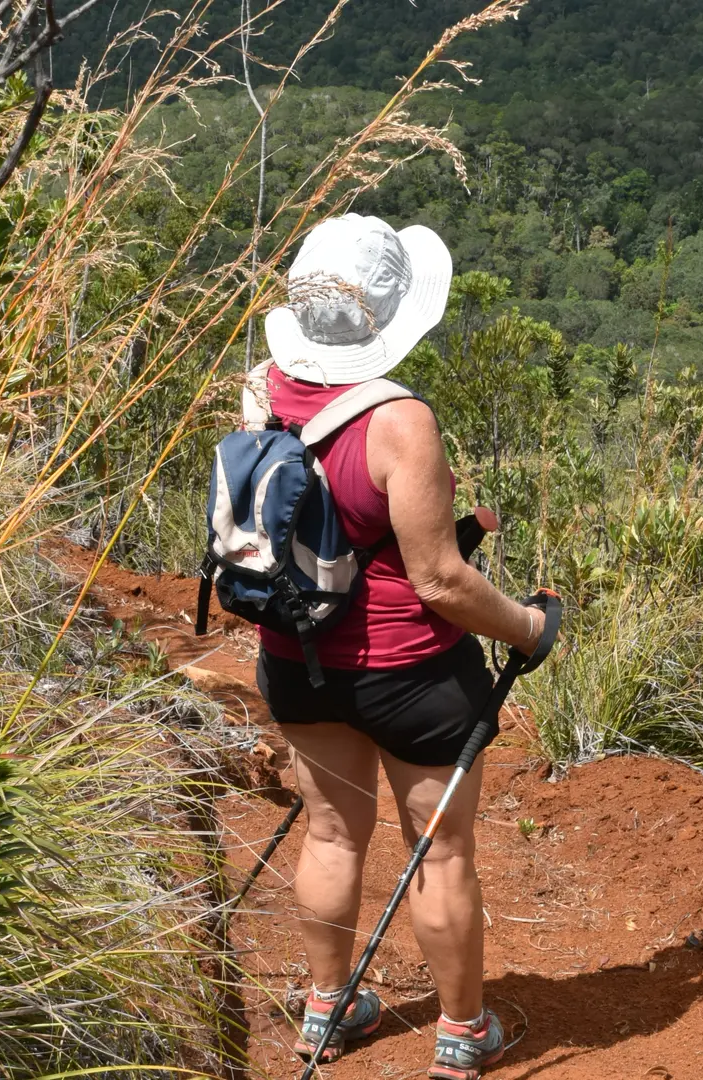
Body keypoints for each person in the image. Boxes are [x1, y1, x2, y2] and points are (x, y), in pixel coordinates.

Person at [254, 213, 545, 1080]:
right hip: (410, 674)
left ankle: (325, 1011)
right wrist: (531, 627)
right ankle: (463, 1033)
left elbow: (315, 519)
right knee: (442, 850)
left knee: (333, 834)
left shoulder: (261, 386)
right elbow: (442, 583)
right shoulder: (401, 422)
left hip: (297, 657)